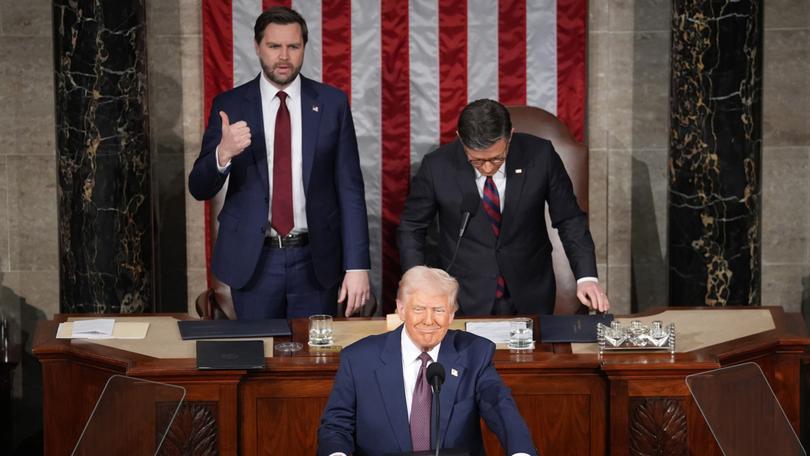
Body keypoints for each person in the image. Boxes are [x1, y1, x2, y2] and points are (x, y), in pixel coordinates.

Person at [189, 7, 370, 319]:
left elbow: (350, 189)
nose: (284, 56)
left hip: (316, 259)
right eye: (274, 46)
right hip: (255, 259)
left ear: (303, 48)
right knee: (258, 358)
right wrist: (223, 153)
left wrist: (357, 265)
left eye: (293, 47)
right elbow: (199, 186)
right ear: (258, 47)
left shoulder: (331, 103)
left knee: (315, 360)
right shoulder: (230, 104)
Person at [398, 99, 609, 316]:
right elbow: (412, 226)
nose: (488, 167)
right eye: (477, 161)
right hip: (463, 295)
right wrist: (416, 279)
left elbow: (570, 219)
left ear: (510, 136)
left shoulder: (540, 155)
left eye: (497, 159)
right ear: (461, 138)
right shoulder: (437, 166)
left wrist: (586, 278)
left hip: (530, 291)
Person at [318, 266, 537, 456]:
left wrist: (521, 452)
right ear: (401, 309)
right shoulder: (359, 359)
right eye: (420, 309)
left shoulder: (475, 353)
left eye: (439, 310)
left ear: (451, 314)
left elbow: (501, 408)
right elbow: (336, 426)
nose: (429, 320)